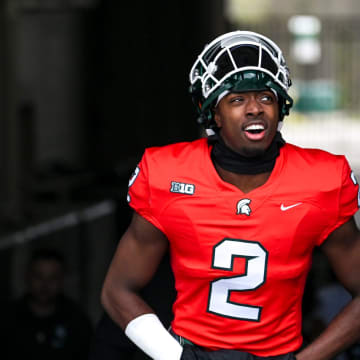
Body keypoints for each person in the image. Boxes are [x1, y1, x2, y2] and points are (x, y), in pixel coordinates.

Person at [100, 31, 360, 360]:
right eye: (237, 99)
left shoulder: (321, 179)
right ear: (214, 113)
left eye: (265, 97)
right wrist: (175, 357)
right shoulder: (167, 174)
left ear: (281, 106)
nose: (254, 109)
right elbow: (117, 290)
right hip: (191, 349)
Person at [1, 248, 93, 360]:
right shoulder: (8, 318)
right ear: (27, 277)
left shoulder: (77, 321)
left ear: (62, 280)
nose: (45, 284)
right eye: (38, 276)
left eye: (52, 278)